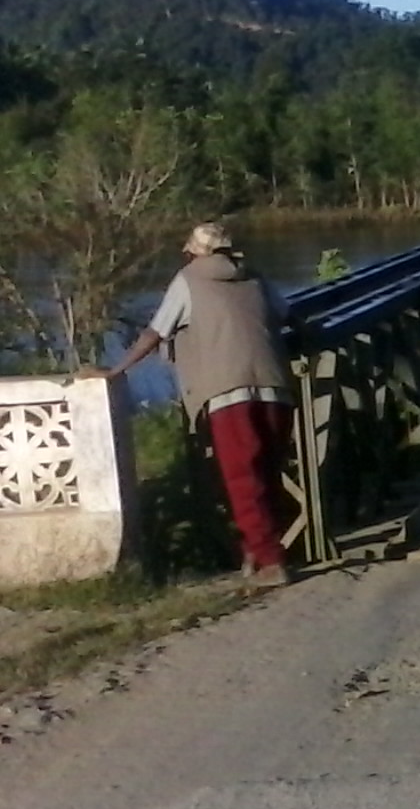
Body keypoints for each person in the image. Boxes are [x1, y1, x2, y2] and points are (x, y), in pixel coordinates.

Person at [82, 223, 298, 588]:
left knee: (242, 479)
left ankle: (272, 562)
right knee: (268, 473)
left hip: (227, 392)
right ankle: (257, 550)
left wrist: (116, 368)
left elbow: (155, 332)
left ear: (194, 252)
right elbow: (290, 316)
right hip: (275, 388)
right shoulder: (256, 276)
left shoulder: (189, 280)